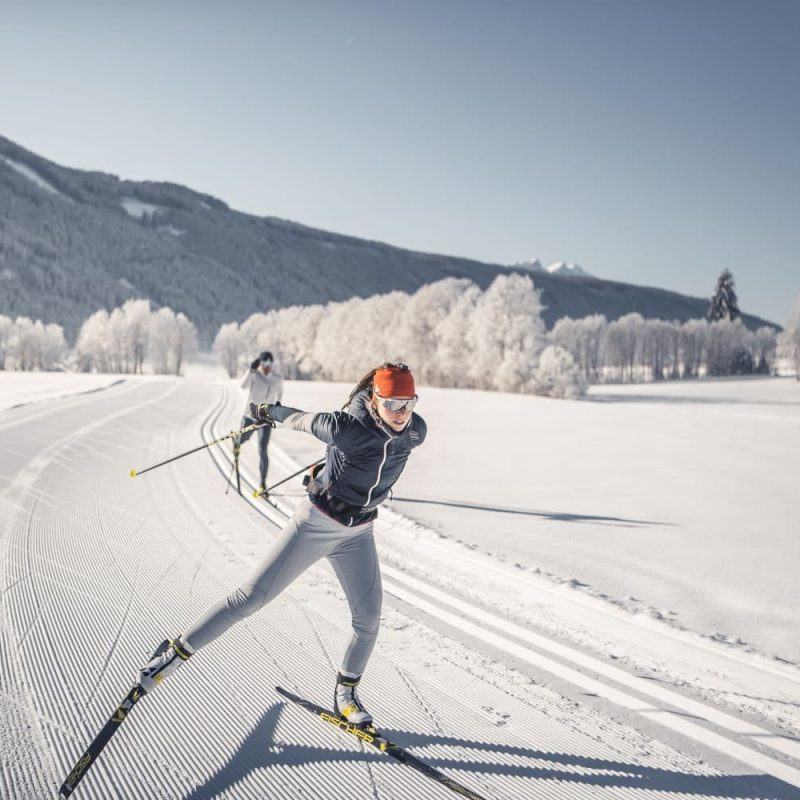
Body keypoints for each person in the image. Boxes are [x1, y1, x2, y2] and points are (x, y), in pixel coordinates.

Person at [137, 363, 426, 727]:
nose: (402, 413)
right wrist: (264, 412)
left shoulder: (416, 431)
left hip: (358, 533)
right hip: (316, 524)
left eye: (408, 403)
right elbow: (300, 419)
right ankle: (173, 654)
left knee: (368, 620)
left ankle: (345, 694)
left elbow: (382, 457)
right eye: (393, 403)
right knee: (250, 598)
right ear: (374, 399)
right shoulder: (346, 427)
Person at [236, 351, 283, 493]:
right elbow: (243, 386)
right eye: (264, 364)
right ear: (260, 364)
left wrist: (279, 404)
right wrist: (250, 371)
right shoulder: (255, 375)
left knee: (263, 450)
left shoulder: (277, 378)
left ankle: (262, 483)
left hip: (265, 420)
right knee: (241, 439)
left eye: (269, 364)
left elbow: (280, 392)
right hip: (250, 417)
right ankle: (236, 443)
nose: (267, 367)